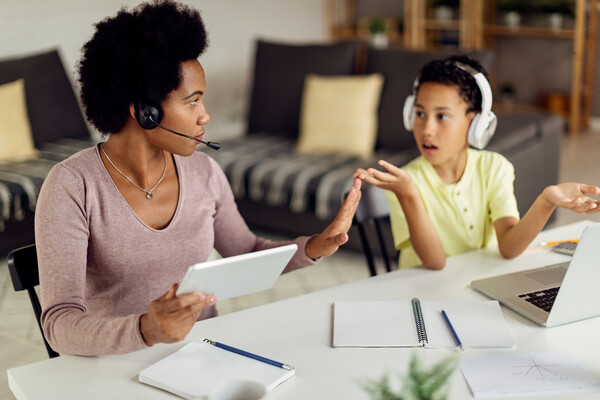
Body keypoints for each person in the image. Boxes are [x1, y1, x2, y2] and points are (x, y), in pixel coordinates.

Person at [35, 0, 361, 356]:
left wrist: (314, 246)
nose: (205, 116)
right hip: (114, 366)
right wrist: (146, 329)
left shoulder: (204, 172)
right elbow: (58, 323)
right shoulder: (71, 186)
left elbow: (247, 251)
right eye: (193, 101)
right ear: (145, 111)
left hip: (201, 355)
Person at [355, 55, 599, 270]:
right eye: (420, 113)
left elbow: (509, 247)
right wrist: (408, 195)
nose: (426, 129)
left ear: (476, 123)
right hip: (423, 291)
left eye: (442, 116)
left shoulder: (494, 168)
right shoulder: (404, 181)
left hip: (477, 284)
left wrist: (546, 200)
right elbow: (435, 262)